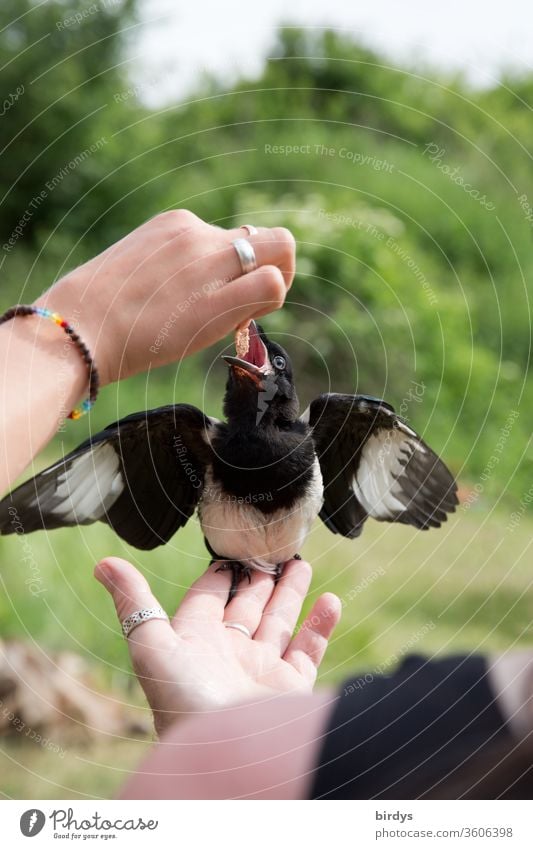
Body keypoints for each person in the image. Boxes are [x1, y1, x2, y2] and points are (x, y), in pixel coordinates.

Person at [1, 211, 532, 799]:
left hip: (285, 553)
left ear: (280, 384)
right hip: (225, 559)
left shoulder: (328, 427)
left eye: (269, 364)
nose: (252, 365)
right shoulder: (192, 437)